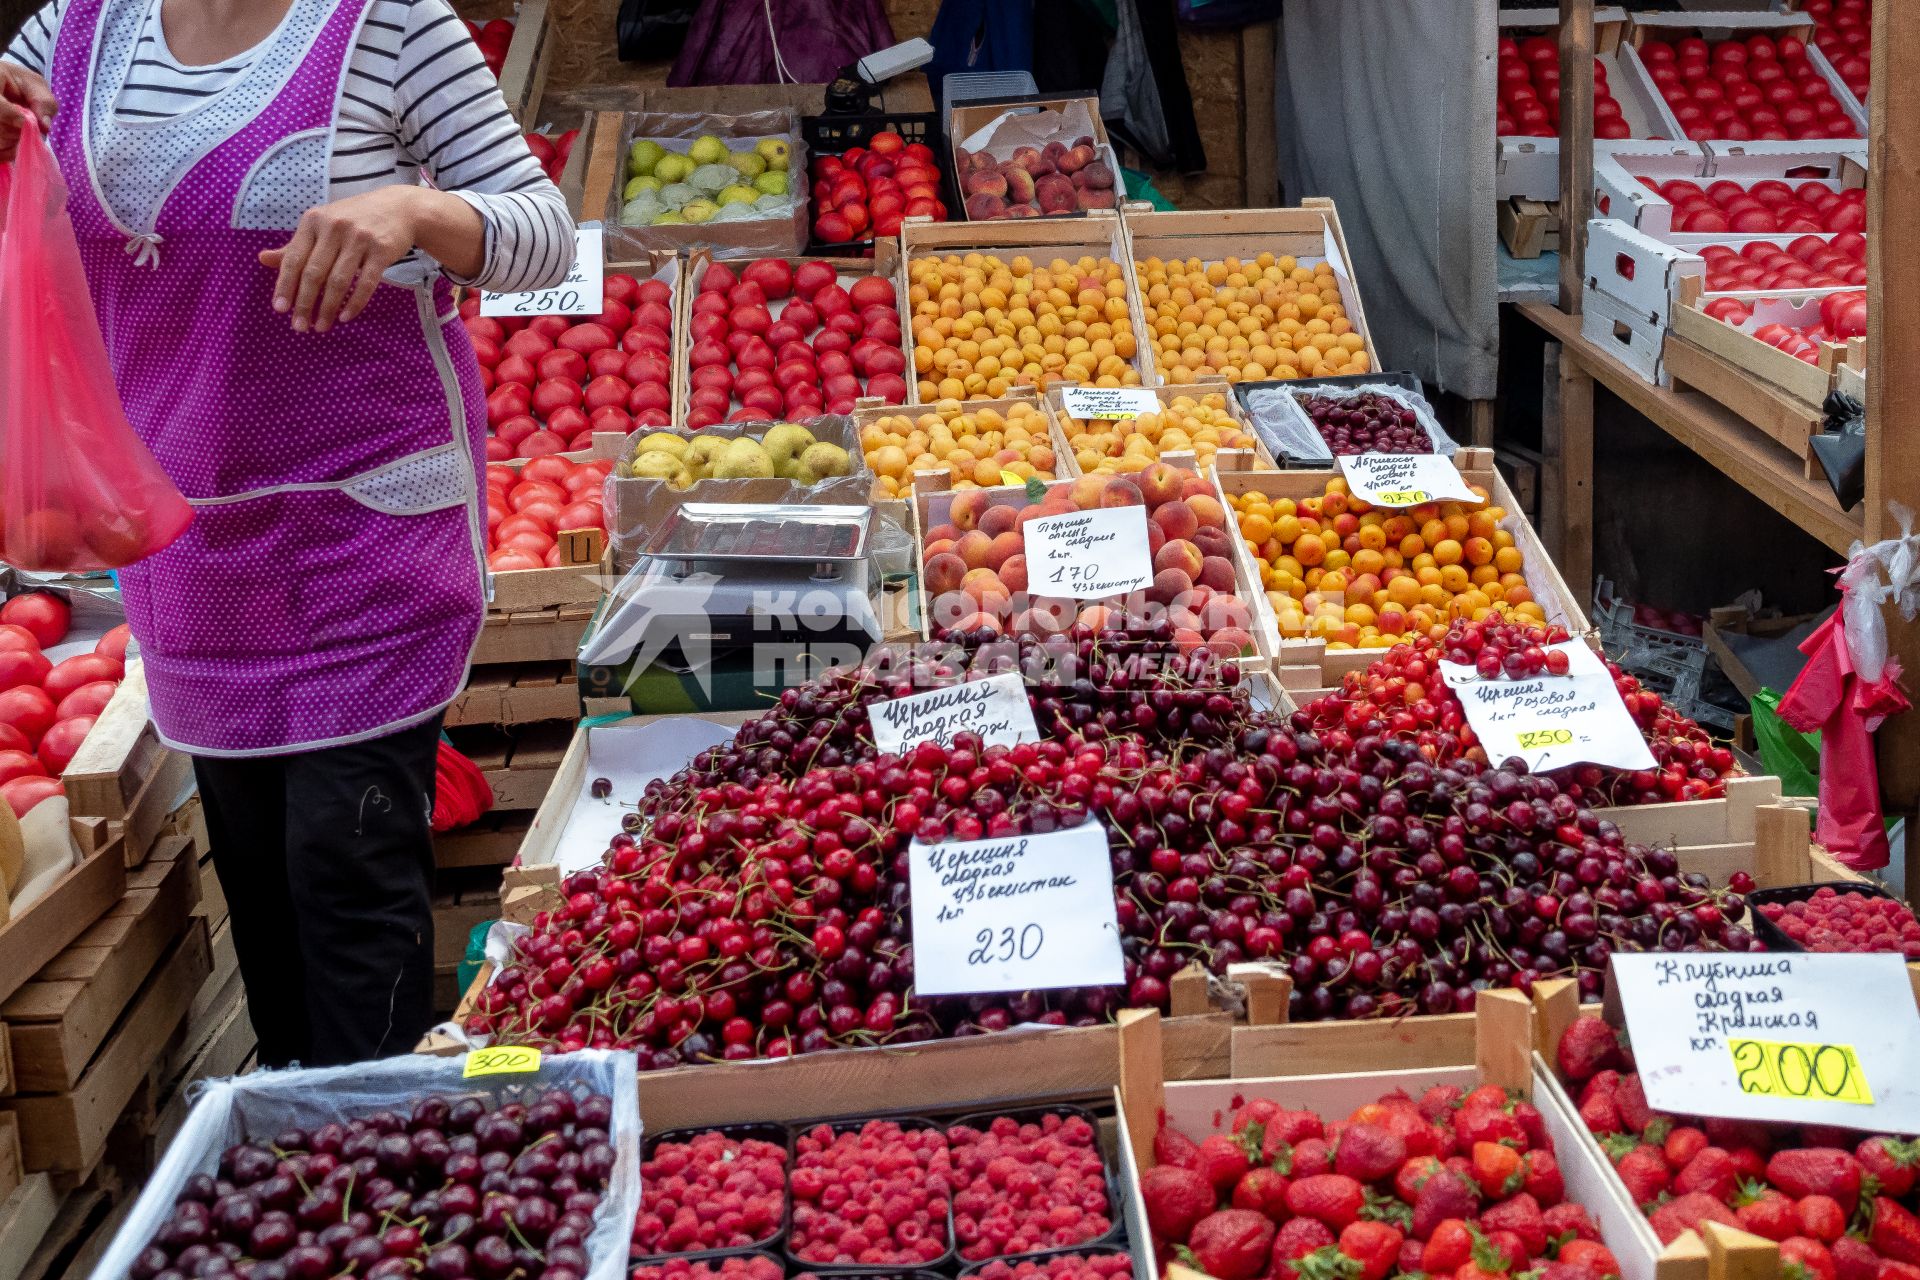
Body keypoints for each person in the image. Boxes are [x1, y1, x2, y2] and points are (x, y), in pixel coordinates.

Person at [0, 0, 575, 1067]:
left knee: (347, 886)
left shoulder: (390, 25)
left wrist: (413, 211)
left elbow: (542, 230)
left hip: (363, 538)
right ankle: (306, 1176)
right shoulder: (74, 32)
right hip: (184, 548)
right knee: (261, 896)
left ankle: (395, 1183)